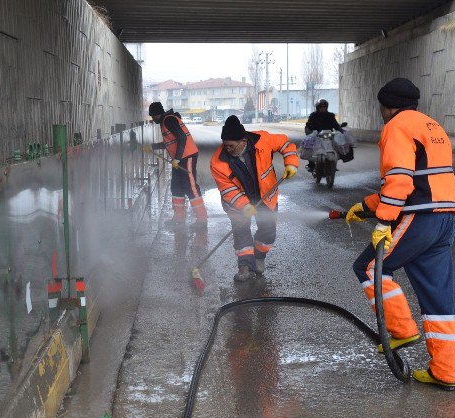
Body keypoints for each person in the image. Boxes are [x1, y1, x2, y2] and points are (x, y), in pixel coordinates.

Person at [346, 78, 455, 390]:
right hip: (444, 217)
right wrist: (366, 205)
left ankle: (401, 330)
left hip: (420, 216)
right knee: (438, 297)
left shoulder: (396, 126)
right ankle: (445, 371)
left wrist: (383, 222)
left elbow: (399, 180)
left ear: (387, 106)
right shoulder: (432, 126)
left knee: (368, 267)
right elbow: (418, 177)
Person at [210, 115, 298, 282]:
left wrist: (291, 163)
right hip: (237, 203)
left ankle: (258, 257)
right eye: (225, 145)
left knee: (269, 231)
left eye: (231, 145)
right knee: (241, 231)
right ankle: (244, 266)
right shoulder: (218, 162)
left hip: (265, 197)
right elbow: (228, 190)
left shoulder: (262, 140)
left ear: (243, 141)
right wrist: (244, 206)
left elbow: (286, 143)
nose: (227, 149)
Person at [146, 102, 208, 227]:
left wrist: (178, 159)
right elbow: (170, 143)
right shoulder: (164, 122)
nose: (153, 119)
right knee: (176, 186)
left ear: (158, 113)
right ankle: (179, 218)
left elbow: (182, 138)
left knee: (190, 186)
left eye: (153, 116)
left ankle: (202, 219)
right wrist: (152, 147)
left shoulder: (169, 120)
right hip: (179, 158)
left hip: (187, 156)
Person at [304, 98, 344, 172]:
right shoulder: (313, 115)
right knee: (310, 146)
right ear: (318, 107)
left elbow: (336, 125)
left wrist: (341, 130)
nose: (323, 108)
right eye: (321, 107)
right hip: (317, 136)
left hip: (329, 136)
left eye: (324, 107)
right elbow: (308, 125)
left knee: (337, 146)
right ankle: (311, 164)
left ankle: (333, 163)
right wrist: (310, 133)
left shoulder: (330, 116)